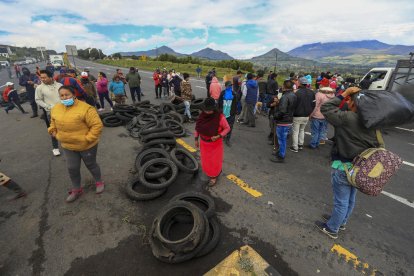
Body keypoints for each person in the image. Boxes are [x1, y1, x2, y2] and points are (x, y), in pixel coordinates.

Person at [315, 87, 380, 239]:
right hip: (360, 167)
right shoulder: (374, 122)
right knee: (350, 198)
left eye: (350, 100)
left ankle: (332, 228)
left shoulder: (348, 118)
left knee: (341, 201)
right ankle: (341, 221)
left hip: (344, 165)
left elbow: (326, 107)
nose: (348, 102)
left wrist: (343, 94)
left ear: (355, 104)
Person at [48, 85, 104, 203]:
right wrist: (53, 131)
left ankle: (99, 182)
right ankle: (76, 189)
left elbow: (97, 125)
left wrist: (87, 139)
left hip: (87, 145)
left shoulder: (86, 108)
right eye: (62, 95)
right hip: (68, 145)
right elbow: (53, 122)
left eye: (67, 95)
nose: (64, 97)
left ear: (73, 95)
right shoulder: (56, 108)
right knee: (72, 168)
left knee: (91, 164)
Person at [195, 97, 230, 186]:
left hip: (215, 144)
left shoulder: (220, 117)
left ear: (214, 108)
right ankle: (209, 172)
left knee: (214, 161)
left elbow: (227, 128)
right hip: (204, 143)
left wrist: (219, 136)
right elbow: (198, 128)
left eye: (209, 110)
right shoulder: (202, 115)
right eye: (206, 110)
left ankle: (214, 176)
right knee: (206, 160)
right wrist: (196, 139)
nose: (207, 112)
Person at [35, 69, 62, 156]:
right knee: (53, 129)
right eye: (41, 78)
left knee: (67, 127)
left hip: (64, 111)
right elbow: (38, 100)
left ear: (51, 77)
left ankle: (71, 144)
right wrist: (48, 107)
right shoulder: (40, 88)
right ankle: (55, 148)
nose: (42, 79)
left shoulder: (59, 85)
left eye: (44, 77)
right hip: (51, 113)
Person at [270, 80, 297, 163]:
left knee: (281, 139)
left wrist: (275, 116)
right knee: (282, 138)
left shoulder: (285, 97)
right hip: (289, 119)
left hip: (283, 121)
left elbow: (282, 111)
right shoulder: (293, 95)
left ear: (284, 86)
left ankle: (281, 156)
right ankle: (279, 152)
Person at [290, 77, 315, 152]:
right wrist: (310, 113)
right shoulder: (311, 92)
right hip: (306, 115)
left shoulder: (297, 92)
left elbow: (293, 104)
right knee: (302, 130)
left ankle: (295, 147)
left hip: (297, 115)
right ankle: (300, 145)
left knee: (295, 131)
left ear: (300, 83)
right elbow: (314, 104)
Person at [218, 81, 237, 147]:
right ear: (225, 86)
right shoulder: (222, 93)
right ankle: (222, 136)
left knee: (230, 127)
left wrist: (234, 112)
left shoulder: (234, 94)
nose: (230, 87)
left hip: (231, 114)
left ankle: (227, 139)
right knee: (222, 126)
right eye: (228, 85)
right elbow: (219, 103)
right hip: (223, 114)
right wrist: (219, 111)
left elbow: (235, 104)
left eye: (231, 86)